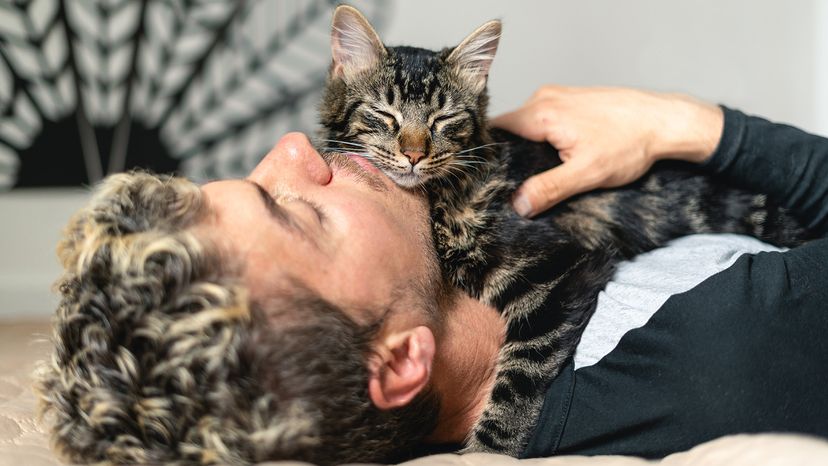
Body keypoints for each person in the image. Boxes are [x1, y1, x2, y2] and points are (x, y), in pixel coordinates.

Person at [34, 86, 828, 465]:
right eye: (296, 211)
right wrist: (693, 127)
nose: (296, 150)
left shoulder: (522, 256)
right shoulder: (722, 344)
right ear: (400, 360)